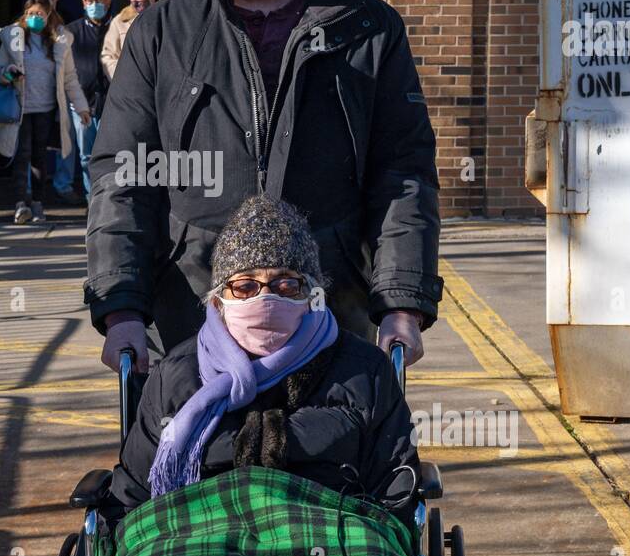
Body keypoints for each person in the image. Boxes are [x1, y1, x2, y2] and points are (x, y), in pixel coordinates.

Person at [85, 0, 442, 376]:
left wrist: (402, 300)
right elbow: (125, 175)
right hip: (195, 302)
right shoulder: (162, 33)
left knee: (329, 454)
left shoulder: (371, 30)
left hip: (329, 298)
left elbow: (403, 172)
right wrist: (121, 306)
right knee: (194, 455)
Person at [107, 196, 417, 518]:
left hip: (326, 548)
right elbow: (134, 495)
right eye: (244, 286)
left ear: (311, 294)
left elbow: (393, 488)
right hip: (205, 549)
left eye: (285, 285)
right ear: (217, 300)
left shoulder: (365, 371)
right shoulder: (175, 376)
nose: (266, 298)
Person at [0, 0, 90, 225]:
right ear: (25, 15)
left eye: (40, 14)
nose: (35, 18)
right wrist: (9, 73)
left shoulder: (59, 41)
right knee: (21, 156)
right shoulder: (13, 38)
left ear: (48, 17)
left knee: (39, 158)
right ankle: (20, 204)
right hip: (20, 108)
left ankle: (37, 203)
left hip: (45, 109)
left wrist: (81, 106)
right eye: (31, 14)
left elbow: (70, 78)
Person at [55, 0, 112, 204]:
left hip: (109, 103)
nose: (94, 3)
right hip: (82, 104)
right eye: (89, 0)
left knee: (109, 154)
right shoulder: (72, 31)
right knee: (86, 156)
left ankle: (107, 198)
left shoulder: (116, 28)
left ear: (108, 1)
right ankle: (93, 199)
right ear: (83, 2)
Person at [99, 0, 159, 83]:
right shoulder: (120, 21)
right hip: (131, 85)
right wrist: (123, 79)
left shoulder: (163, 19)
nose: (134, 0)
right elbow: (108, 56)